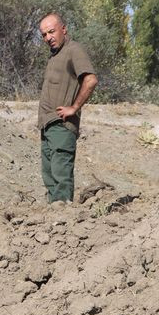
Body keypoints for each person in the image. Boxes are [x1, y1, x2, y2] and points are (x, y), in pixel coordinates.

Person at [37, 13, 99, 203]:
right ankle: (52, 223)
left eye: (52, 32)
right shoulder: (55, 56)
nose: (48, 38)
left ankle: (63, 223)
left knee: (60, 177)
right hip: (48, 126)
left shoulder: (73, 50)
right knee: (49, 177)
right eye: (44, 35)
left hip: (62, 126)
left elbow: (90, 80)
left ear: (64, 29)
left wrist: (74, 107)